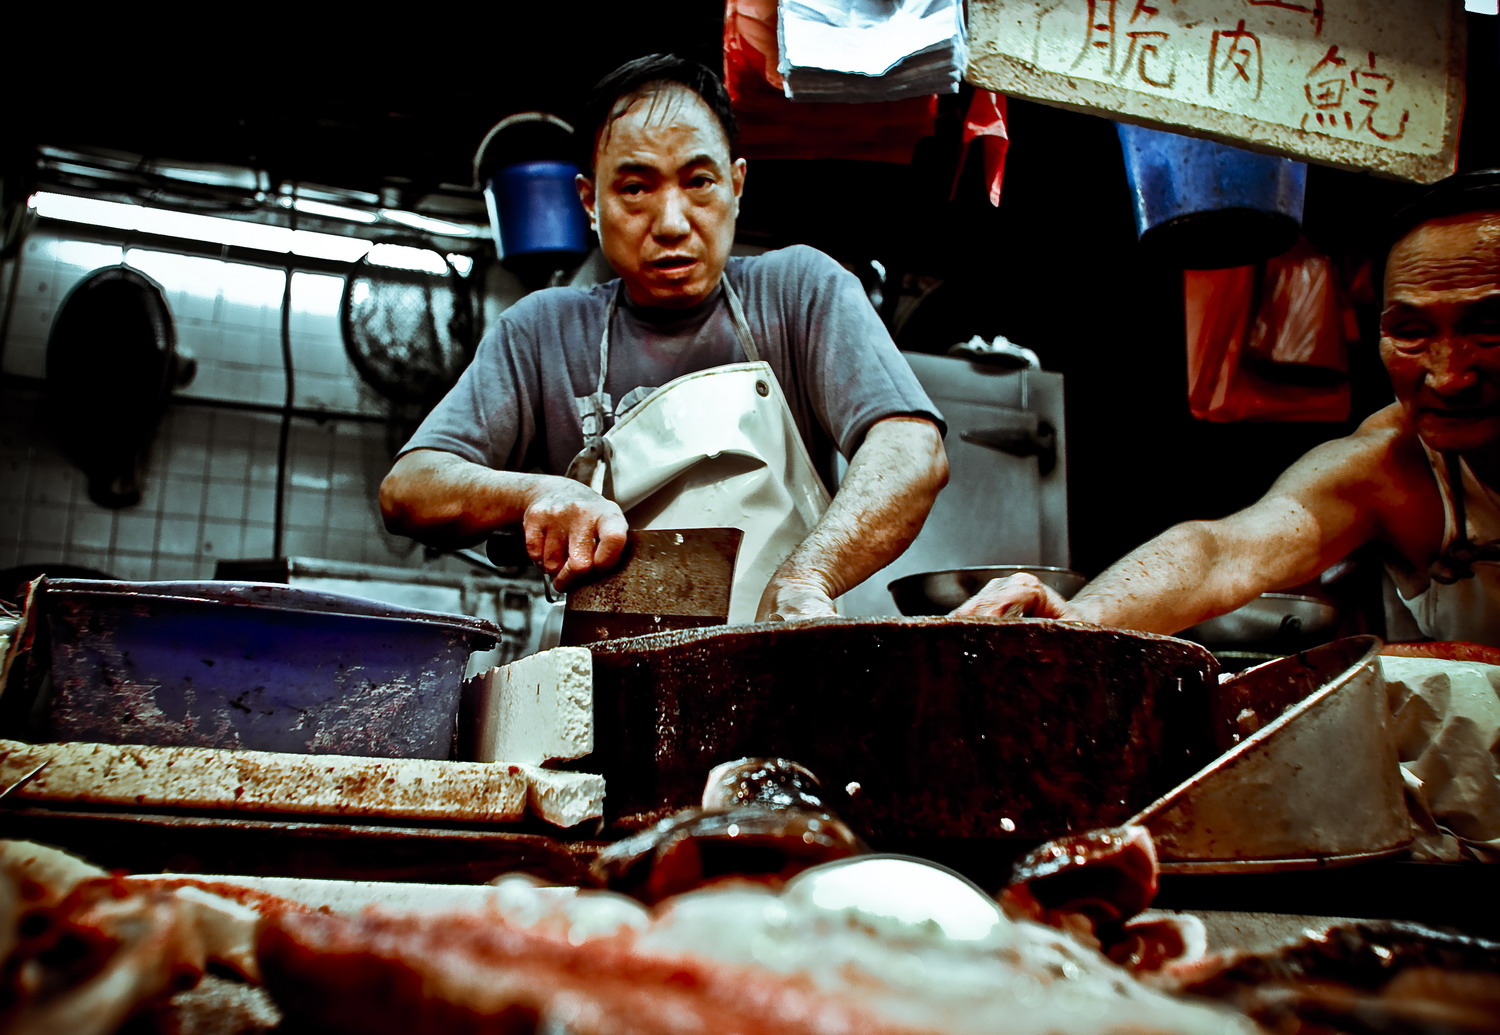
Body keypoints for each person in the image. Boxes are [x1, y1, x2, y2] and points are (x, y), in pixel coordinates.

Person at [380, 54, 948, 622]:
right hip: (594, 680)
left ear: (736, 184)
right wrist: (538, 493)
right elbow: (409, 489)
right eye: (635, 188)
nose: (672, 222)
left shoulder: (800, 292)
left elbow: (910, 451)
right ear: (589, 204)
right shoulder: (540, 331)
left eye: (699, 181)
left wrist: (809, 576)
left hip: (784, 653)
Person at [954, 168, 1500, 648]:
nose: (1449, 377)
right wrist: (1077, 622)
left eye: (1490, 329)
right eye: (1410, 333)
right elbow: (1222, 553)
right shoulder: (1392, 463)